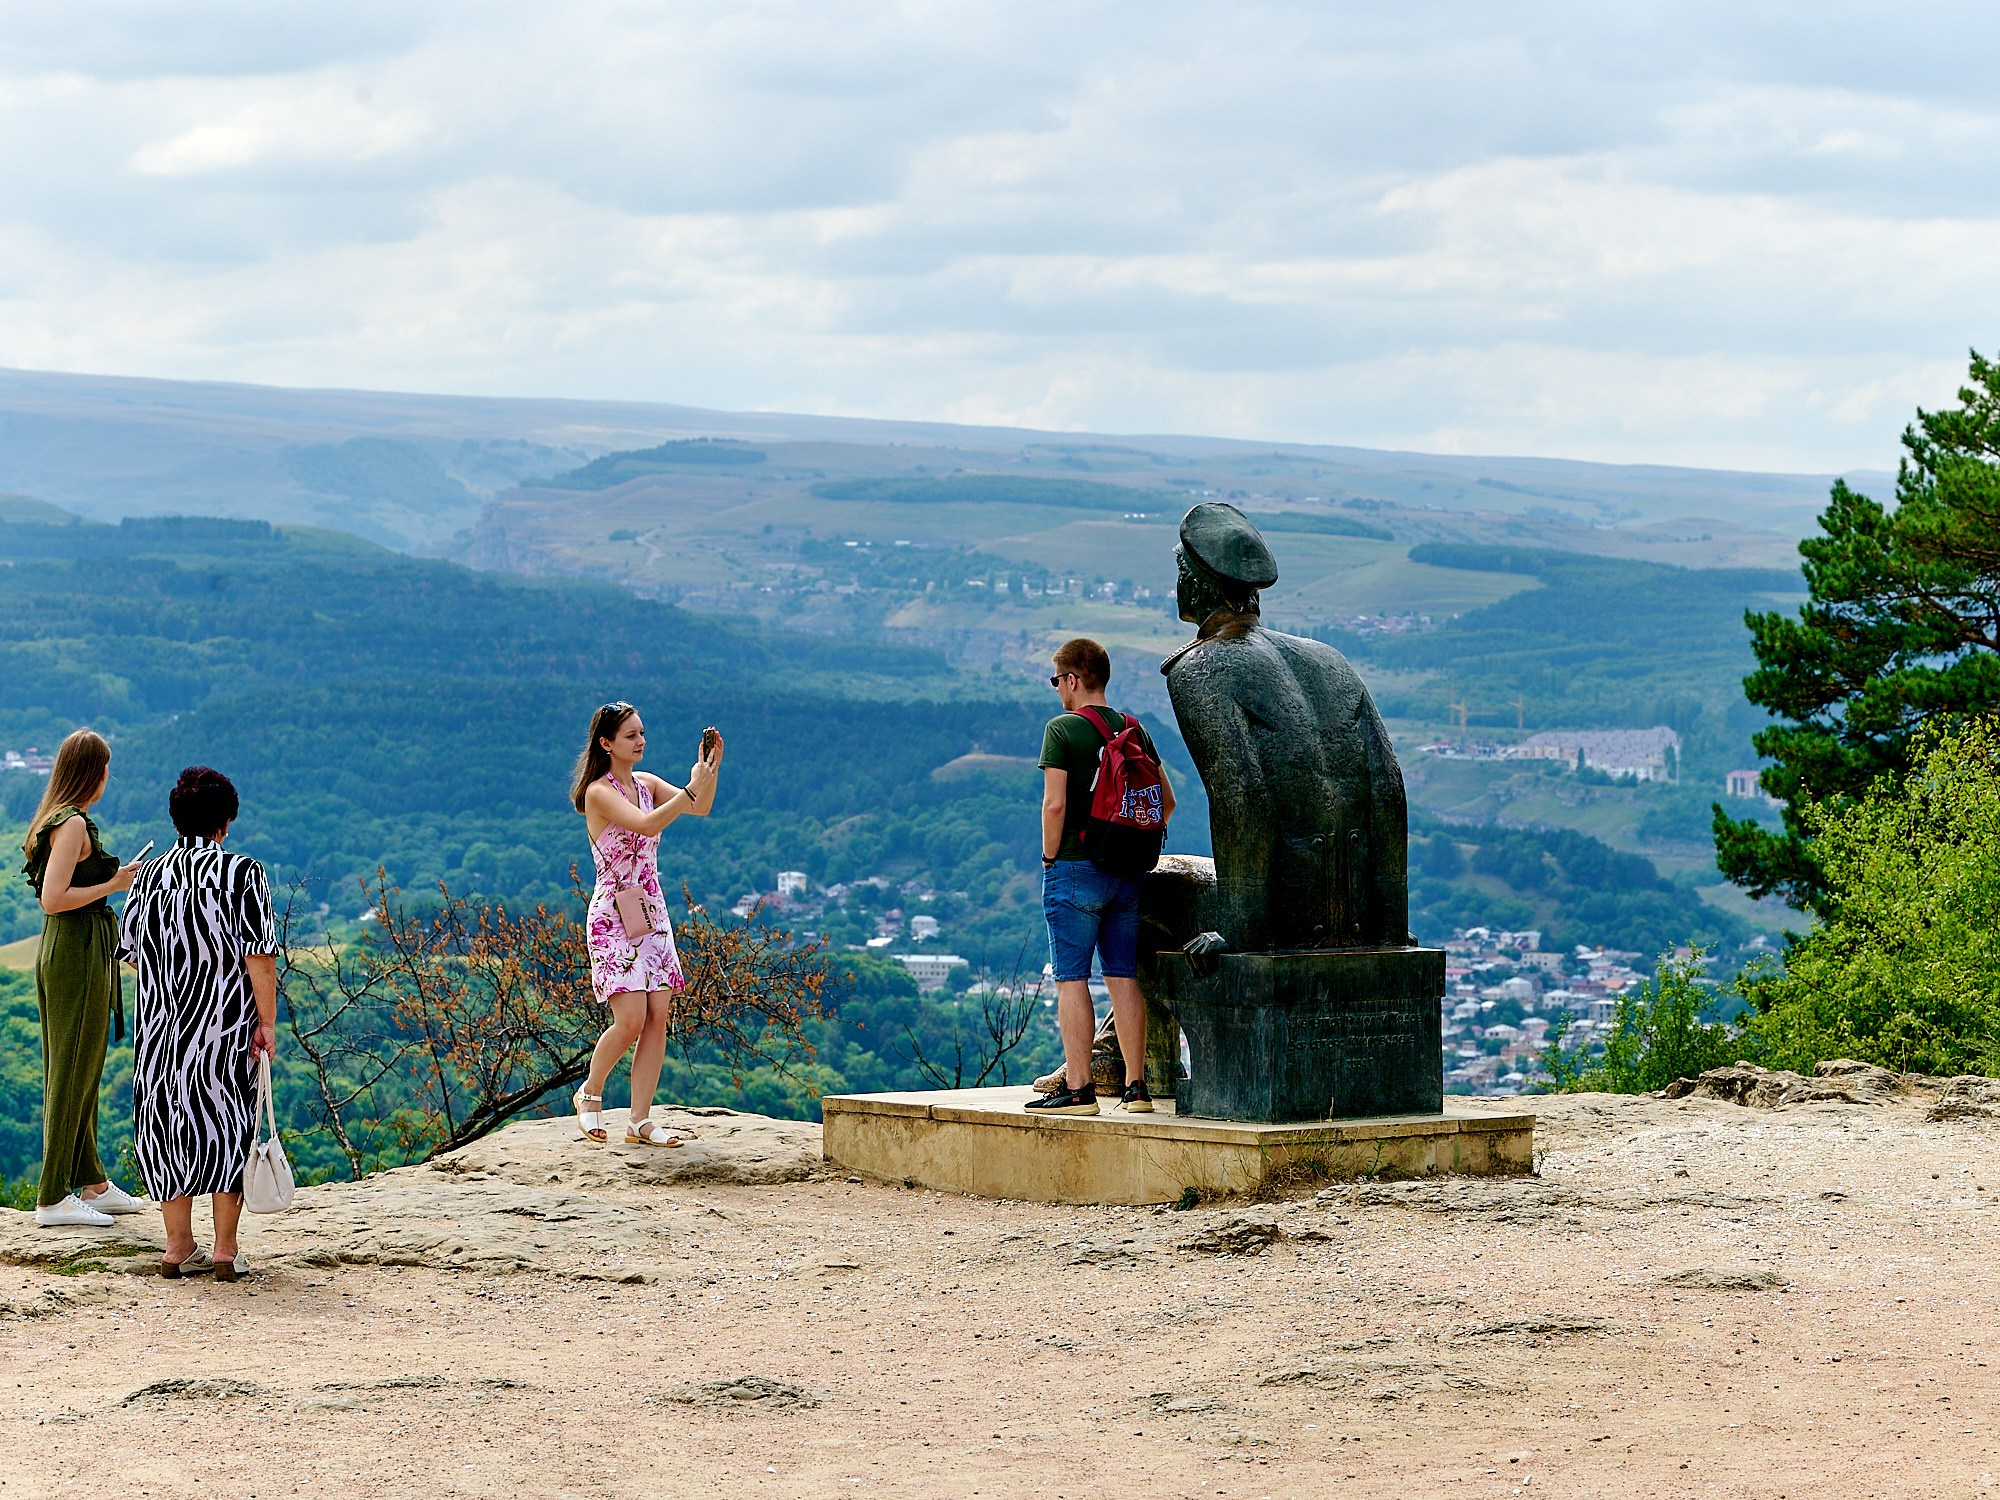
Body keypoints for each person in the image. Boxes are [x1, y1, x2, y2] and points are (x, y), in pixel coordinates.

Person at [120, 767, 278, 1280]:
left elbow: (130, 953)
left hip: (161, 1031)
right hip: (224, 1027)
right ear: (225, 821)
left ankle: (176, 1245)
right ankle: (225, 1249)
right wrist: (267, 1021)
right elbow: (260, 956)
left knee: (167, 1128)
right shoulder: (244, 874)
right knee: (226, 1124)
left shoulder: (146, 876)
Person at [1026, 638, 1174, 1117]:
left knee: (1071, 979)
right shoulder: (1135, 730)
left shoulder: (1062, 729)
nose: (1057, 691)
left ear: (1072, 679)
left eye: (1057, 681)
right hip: (1127, 873)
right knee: (1122, 978)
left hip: (1073, 869)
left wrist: (1050, 859)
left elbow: (1054, 804)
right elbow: (1165, 802)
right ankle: (1137, 1089)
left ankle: (1079, 1088)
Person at [571, 702, 723, 1147]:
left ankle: (640, 1120)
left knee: (658, 1014)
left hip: (650, 909)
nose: (640, 741)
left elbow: (701, 808)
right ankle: (590, 1092)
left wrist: (708, 771)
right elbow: (646, 822)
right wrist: (691, 790)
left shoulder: (648, 783)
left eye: (641, 733)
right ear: (607, 743)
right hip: (613, 913)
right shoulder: (599, 793)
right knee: (631, 1017)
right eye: (631, 736)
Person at [19, 729, 146, 1228]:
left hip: (77, 951)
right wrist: (114, 883)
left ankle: (92, 1181)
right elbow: (52, 899)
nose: (109, 778)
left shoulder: (59, 818)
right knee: (71, 1069)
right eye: (106, 768)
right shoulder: (71, 824)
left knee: (83, 1064)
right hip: (74, 953)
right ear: (93, 771)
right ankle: (52, 1196)